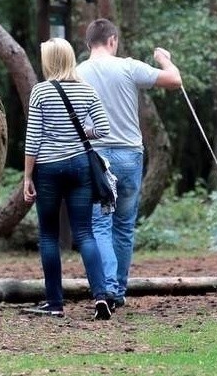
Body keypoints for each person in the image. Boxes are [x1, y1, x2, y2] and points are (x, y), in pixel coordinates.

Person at [77, 19, 182, 310]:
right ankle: (118, 290)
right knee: (123, 224)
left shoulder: (77, 72)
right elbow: (174, 80)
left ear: (88, 45)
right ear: (113, 40)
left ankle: (108, 289)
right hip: (129, 156)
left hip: (96, 157)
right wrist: (164, 60)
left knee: (100, 223)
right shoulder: (128, 66)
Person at [23, 37, 112, 320]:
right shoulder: (86, 91)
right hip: (79, 166)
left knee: (49, 235)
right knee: (84, 232)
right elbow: (104, 128)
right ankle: (101, 297)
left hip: (48, 169)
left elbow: (33, 138)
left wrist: (27, 176)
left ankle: (55, 304)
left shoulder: (40, 92)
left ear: (49, 61)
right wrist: (79, 133)